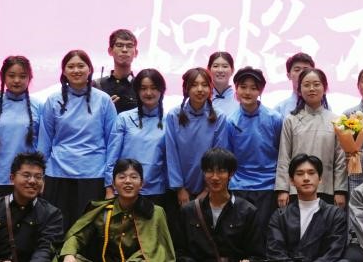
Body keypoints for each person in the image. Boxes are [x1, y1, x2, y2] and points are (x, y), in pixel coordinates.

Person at [56, 158, 176, 262]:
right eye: (122, 177)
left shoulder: (155, 212)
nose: (128, 181)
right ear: (113, 184)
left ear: (142, 184)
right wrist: (69, 254)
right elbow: (78, 237)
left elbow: (156, 250)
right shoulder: (103, 211)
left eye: (133, 177)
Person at [162, 147, 266, 262]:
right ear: (203, 173)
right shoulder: (188, 210)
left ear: (231, 174)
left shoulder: (247, 211)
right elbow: (179, 251)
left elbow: (258, 255)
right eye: (210, 171)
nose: (215, 177)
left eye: (221, 171)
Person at [264, 153, 363, 262]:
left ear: (320, 178)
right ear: (292, 181)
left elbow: (334, 251)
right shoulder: (280, 216)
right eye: (300, 174)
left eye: (311, 173)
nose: (306, 178)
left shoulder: (335, 213)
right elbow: (275, 251)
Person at [39, 49, 117, 229]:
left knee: (88, 232)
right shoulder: (53, 100)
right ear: (64, 71)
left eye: (81, 66)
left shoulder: (103, 100)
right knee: (56, 229)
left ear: (89, 69)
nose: (76, 70)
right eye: (71, 66)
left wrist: (109, 182)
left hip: (93, 175)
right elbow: (44, 141)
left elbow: (113, 143)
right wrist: (40, 176)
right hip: (57, 174)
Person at [213, 66, 283, 234]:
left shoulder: (275, 118)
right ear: (236, 89)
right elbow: (227, 157)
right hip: (240, 185)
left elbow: (282, 153)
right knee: (241, 233)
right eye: (243, 87)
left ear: (261, 90)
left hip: (268, 186)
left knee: (265, 233)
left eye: (253, 88)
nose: (248, 92)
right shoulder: (230, 121)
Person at [275, 68, 348, 207]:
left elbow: (340, 160)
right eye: (306, 85)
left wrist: (340, 190)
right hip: (296, 190)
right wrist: (283, 189)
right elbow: (284, 157)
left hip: (327, 189)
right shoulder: (291, 120)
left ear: (325, 88)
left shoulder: (336, 120)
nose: (312, 89)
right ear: (299, 90)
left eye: (316, 84)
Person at [0, 56, 41, 202]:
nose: (17, 80)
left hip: (28, 179)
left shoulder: (39, 106)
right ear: (3, 77)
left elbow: (42, 145)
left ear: (30, 78)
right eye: (11, 75)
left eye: (23, 76)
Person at [104, 69, 167, 202]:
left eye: (153, 88)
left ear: (161, 90)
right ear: (137, 91)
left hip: (157, 191)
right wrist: (109, 187)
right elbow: (112, 156)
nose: (148, 93)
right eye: (143, 88)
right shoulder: (124, 118)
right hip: (125, 190)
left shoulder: (170, 121)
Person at [166, 67, 224, 209]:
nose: (200, 89)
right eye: (194, 85)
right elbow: (171, 153)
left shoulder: (219, 116)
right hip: (178, 190)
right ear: (186, 88)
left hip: (210, 188)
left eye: (204, 85)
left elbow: (219, 155)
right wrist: (180, 188)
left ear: (210, 88)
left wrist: (207, 189)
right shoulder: (173, 115)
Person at [94, 29, 139, 114]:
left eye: (129, 46)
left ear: (136, 52)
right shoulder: (97, 86)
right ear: (110, 51)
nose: (124, 50)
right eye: (119, 45)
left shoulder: (141, 86)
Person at [274, 52, 315, 116]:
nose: (301, 73)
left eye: (306, 70)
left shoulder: (324, 107)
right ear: (289, 75)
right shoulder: (280, 109)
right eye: (297, 70)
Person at [207, 50, 238, 117]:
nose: (220, 70)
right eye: (216, 66)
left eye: (225, 66)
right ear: (208, 69)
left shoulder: (240, 99)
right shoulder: (202, 97)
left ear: (232, 70)